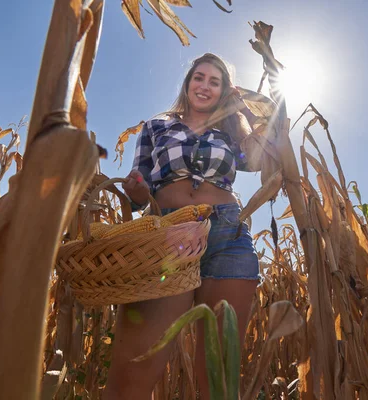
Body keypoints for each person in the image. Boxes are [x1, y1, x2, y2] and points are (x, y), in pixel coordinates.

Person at [104, 53, 264, 400]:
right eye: (199, 77)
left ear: (224, 91)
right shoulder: (157, 126)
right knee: (134, 369)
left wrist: (243, 112)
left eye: (215, 82)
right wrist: (136, 190)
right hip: (168, 234)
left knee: (219, 376)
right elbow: (138, 191)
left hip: (226, 234)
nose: (204, 86)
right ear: (188, 82)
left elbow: (261, 159)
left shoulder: (231, 132)